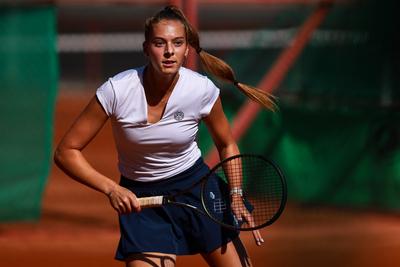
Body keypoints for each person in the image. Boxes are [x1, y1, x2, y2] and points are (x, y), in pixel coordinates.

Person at [54, 5, 275, 267]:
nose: (169, 51)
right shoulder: (117, 90)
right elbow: (66, 151)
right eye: (160, 43)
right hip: (143, 203)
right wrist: (112, 189)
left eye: (177, 43)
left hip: (198, 191)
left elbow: (227, 144)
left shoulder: (201, 89)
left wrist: (236, 195)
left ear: (187, 49)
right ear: (146, 48)